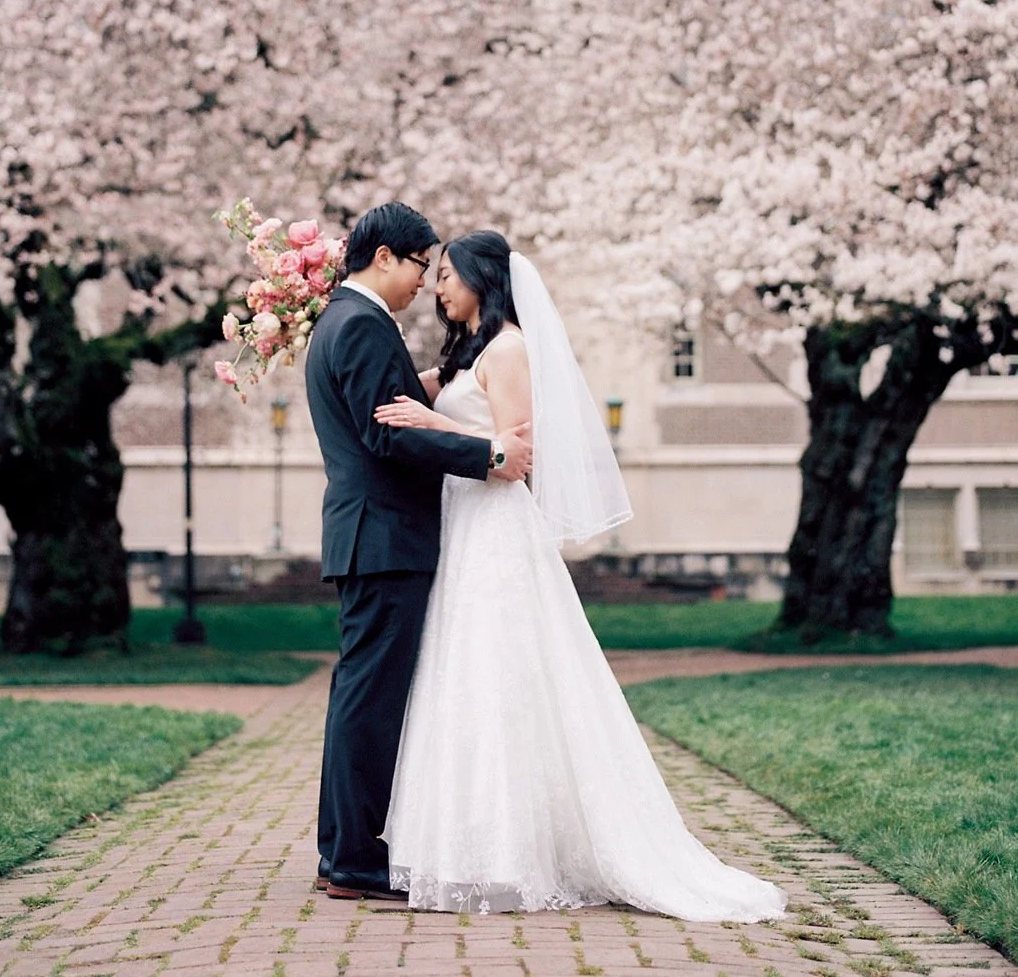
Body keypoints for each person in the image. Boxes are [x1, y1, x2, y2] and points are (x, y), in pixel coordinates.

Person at [374, 230, 787, 921]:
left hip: (495, 530)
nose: (438, 287)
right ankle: (471, 847)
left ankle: (513, 855)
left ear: (483, 277)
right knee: (464, 675)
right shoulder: (469, 351)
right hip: (461, 527)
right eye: (434, 274)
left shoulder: (509, 349)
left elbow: (515, 456)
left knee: (500, 676)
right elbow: (408, 396)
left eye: (447, 275)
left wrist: (427, 424)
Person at [304, 203, 533, 901]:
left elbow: (408, 408)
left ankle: (342, 852)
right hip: (384, 538)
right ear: (384, 259)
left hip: (371, 536)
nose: (425, 286)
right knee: (368, 703)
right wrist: (487, 452)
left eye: (442, 272)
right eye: (419, 266)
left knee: (359, 697)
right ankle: (350, 860)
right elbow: (388, 435)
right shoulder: (364, 325)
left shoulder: (340, 323)